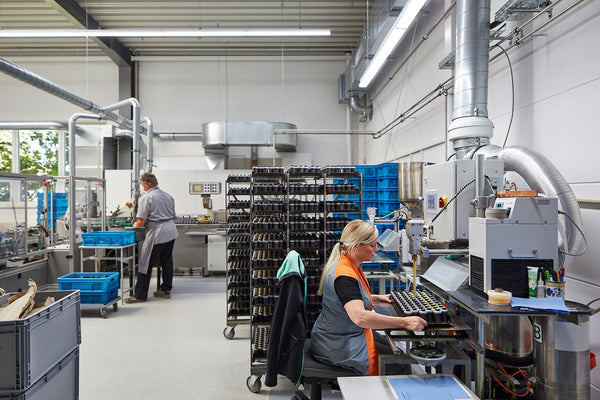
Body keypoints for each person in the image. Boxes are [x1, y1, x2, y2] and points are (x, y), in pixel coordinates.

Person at [310, 220, 427, 376]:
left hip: (337, 336)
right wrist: (405, 322)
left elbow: (346, 297)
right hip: (338, 344)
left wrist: (375, 297)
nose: (376, 249)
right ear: (356, 246)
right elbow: (360, 317)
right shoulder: (345, 274)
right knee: (399, 363)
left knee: (395, 351)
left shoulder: (346, 264)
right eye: (372, 246)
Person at [125, 172, 179, 303]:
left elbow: (141, 221)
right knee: (167, 262)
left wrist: (134, 225)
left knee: (145, 263)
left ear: (146, 183)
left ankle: (140, 295)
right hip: (170, 232)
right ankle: (165, 289)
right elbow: (173, 215)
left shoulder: (146, 198)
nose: (142, 187)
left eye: (142, 184)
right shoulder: (168, 196)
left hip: (157, 234)